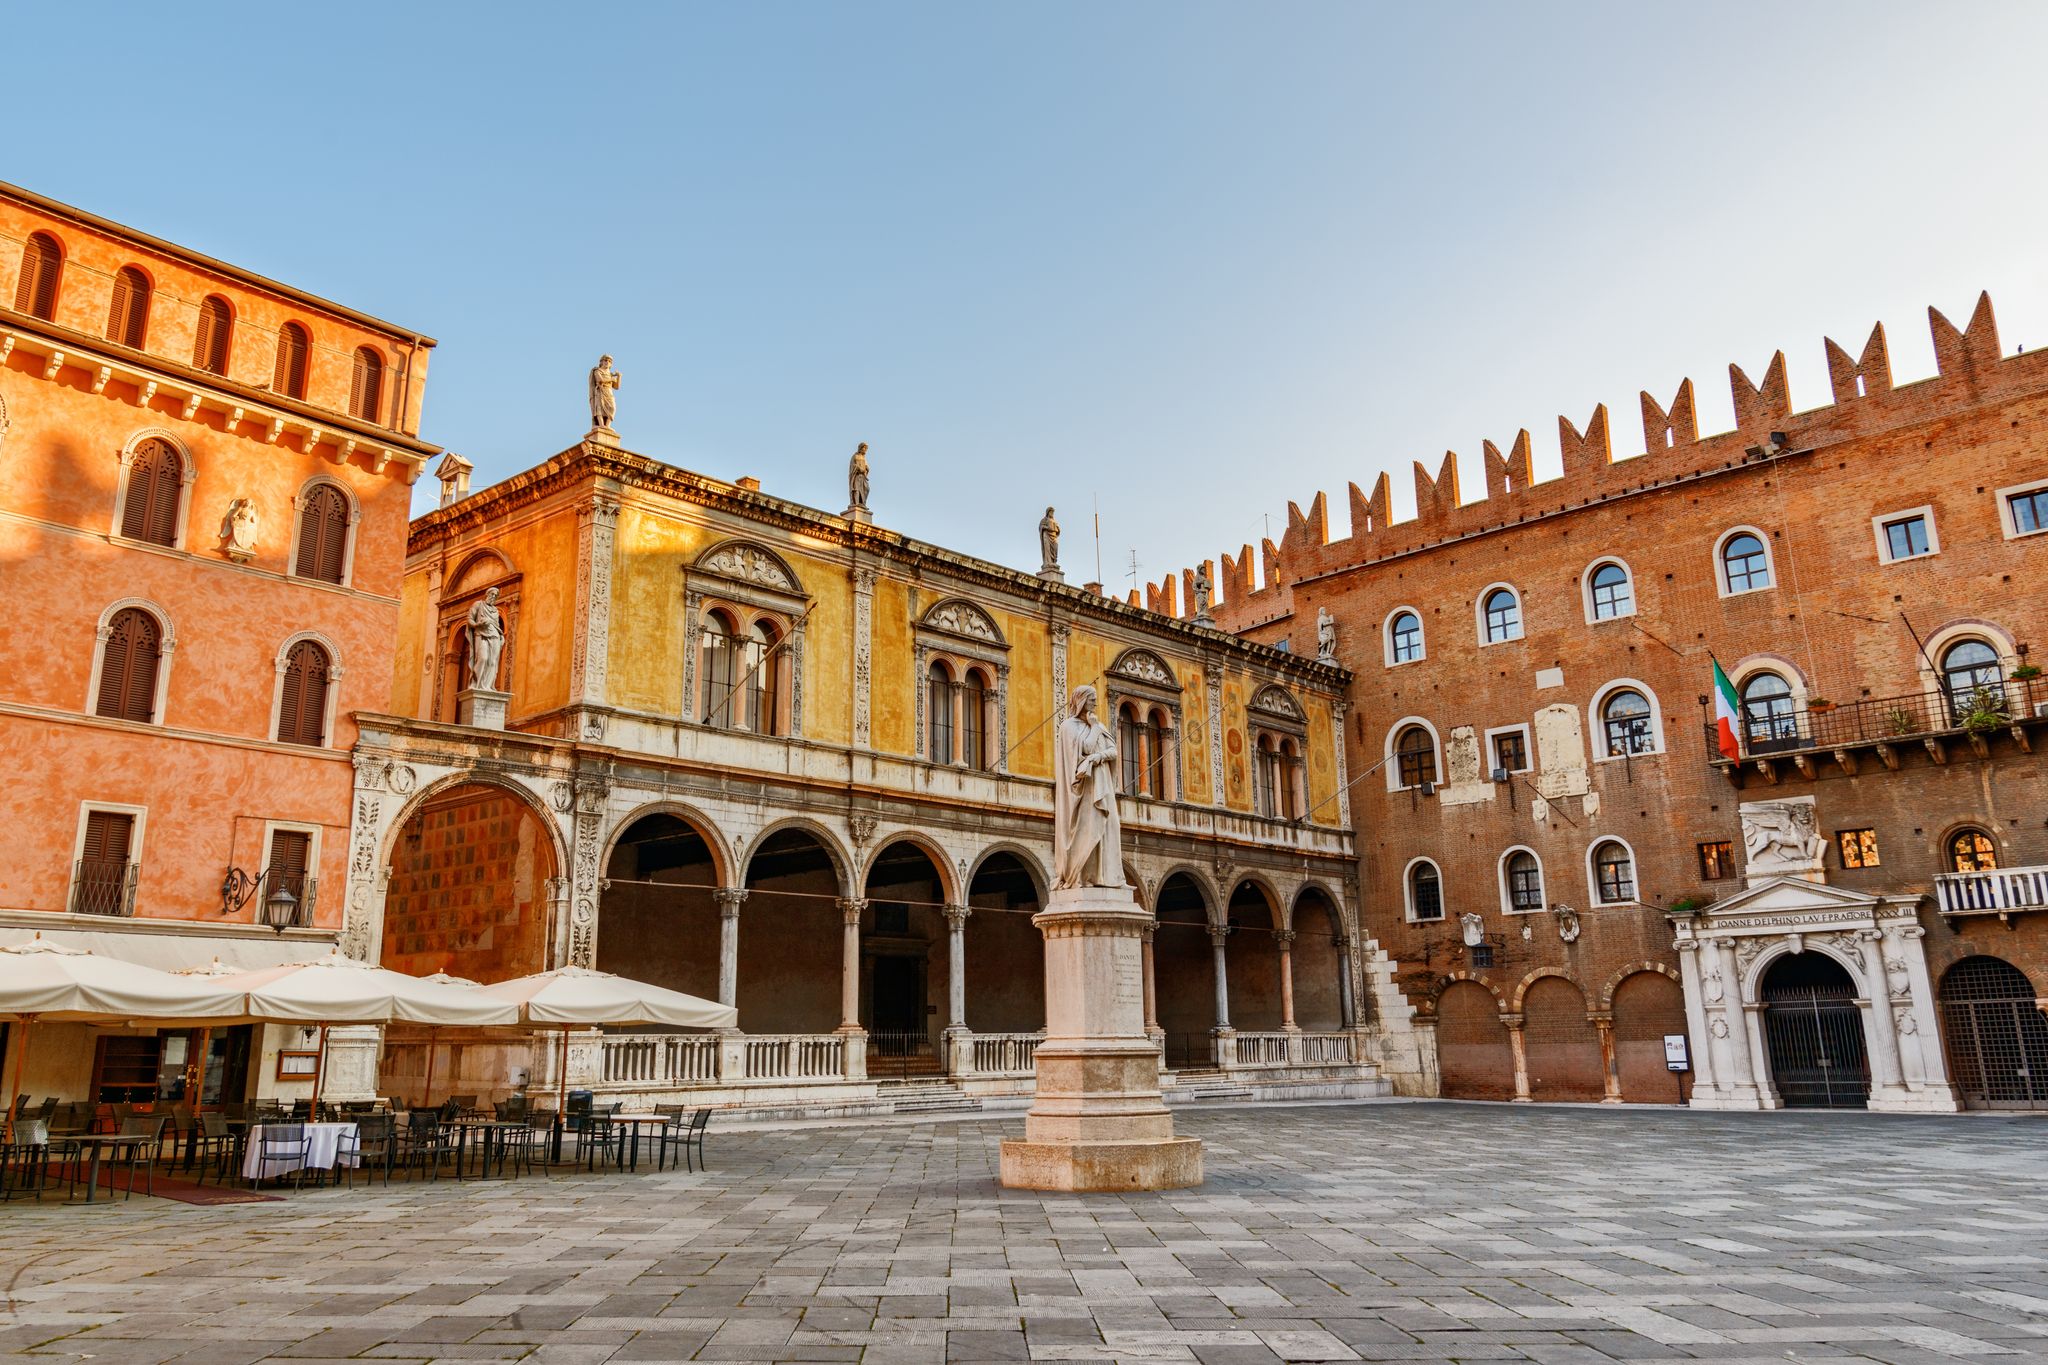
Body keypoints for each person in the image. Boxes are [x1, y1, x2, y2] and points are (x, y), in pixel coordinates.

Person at [1053, 685, 1123, 890]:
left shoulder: (1098, 725)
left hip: (1103, 785)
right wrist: (1093, 729)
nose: (1095, 703)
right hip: (1085, 790)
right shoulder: (1068, 727)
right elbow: (1085, 748)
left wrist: (1098, 757)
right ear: (1082, 700)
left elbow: (1113, 751)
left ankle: (1105, 877)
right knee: (1089, 830)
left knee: (1110, 827)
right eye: (1092, 699)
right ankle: (1084, 877)